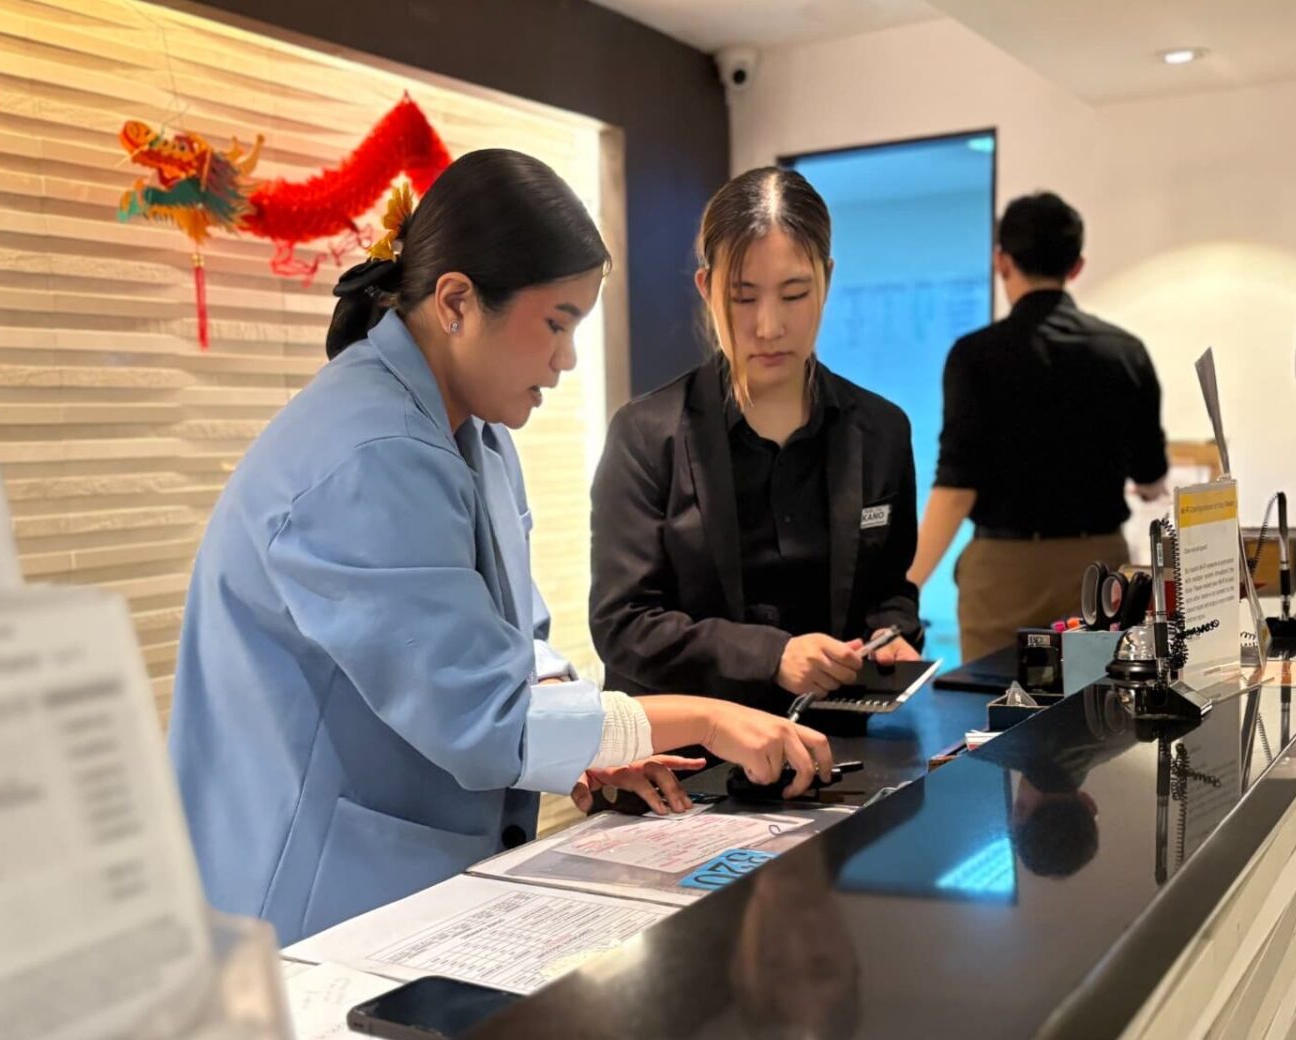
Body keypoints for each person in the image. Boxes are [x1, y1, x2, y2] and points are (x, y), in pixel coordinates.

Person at [167, 150, 834, 943]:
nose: (567, 357)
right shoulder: (369, 453)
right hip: (307, 890)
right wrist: (709, 720)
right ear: (456, 302)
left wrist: (593, 735)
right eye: (557, 323)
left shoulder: (475, 432)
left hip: (414, 868)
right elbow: (487, 717)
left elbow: (511, 645)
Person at [590, 166, 922, 718]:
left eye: (795, 294)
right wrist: (771, 657)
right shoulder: (647, 434)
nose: (769, 326)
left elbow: (890, 589)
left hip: (835, 739)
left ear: (827, 280)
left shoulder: (882, 430)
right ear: (706, 289)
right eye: (742, 298)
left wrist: (891, 636)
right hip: (692, 751)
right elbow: (623, 624)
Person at [908, 191, 1169, 661]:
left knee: (997, 699)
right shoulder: (1125, 352)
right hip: (1097, 572)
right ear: (1076, 266)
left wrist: (907, 586)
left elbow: (956, 489)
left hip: (1002, 576)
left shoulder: (974, 356)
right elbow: (1149, 472)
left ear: (1001, 261)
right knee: (1099, 698)